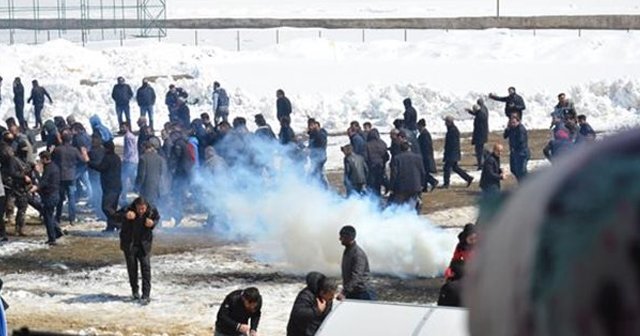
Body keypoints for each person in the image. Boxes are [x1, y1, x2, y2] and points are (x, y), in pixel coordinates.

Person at [118, 196, 159, 305]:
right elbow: (115, 217)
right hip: (130, 244)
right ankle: (135, 291)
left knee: (146, 268)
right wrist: (125, 216)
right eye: (139, 209)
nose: (141, 211)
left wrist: (153, 223)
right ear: (135, 206)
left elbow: (157, 218)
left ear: (146, 207)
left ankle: (146, 295)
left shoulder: (151, 211)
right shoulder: (127, 209)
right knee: (132, 269)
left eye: (143, 209)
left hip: (144, 244)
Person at [53, 131, 89, 225]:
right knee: (71, 197)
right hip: (71, 176)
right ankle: (72, 218)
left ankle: (58, 217)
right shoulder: (74, 150)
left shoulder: (57, 150)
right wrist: (84, 153)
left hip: (60, 176)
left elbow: (52, 161)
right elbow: (82, 160)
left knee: (60, 198)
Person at [286, 272, 337, 336]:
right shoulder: (306, 295)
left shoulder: (328, 299)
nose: (333, 297)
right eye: (331, 295)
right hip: (298, 332)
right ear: (322, 293)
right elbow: (298, 314)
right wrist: (317, 310)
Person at [31, 151, 63, 245]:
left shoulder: (49, 168)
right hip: (55, 194)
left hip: (49, 195)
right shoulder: (54, 166)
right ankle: (57, 232)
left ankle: (52, 239)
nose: (40, 161)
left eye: (41, 159)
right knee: (49, 214)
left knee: (48, 217)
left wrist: (36, 188)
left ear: (45, 159)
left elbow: (44, 181)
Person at [90, 140, 122, 232]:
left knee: (106, 207)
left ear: (107, 149)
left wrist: (88, 162)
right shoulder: (117, 157)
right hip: (117, 186)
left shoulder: (108, 158)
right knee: (112, 208)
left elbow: (100, 168)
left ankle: (119, 223)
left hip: (110, 187)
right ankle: (110, 227)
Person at [338, 225, 375, 300]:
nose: (340, 239)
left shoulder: (357, 254)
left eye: (341, 237)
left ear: (348, 238)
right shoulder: (348, 250)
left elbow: (356, 276)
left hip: (362, 293)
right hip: (352, 291)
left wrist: (344, 292)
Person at [389, 141, 425, 211]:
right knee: (414, 205)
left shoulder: (397, 158)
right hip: (415, 185)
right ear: (409, 148)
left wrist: (391, 187)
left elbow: (394, 174)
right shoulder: (418, 157)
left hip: (402, 187)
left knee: (400, 206)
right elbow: (422, 172)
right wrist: (422, 184)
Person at [441, 116, 473, 188]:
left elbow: (452, 143)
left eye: (446, 122)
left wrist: (448, 153)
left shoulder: (453, 130)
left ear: (449, 122)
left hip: (452, 153)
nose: (445, 124)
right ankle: (468, 178)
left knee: (447, 168)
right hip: (453, 153)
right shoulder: (451, 129)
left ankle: (446, 184)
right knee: (455, 168)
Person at [136, 141, 168, 208]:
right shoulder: (160, 159)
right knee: (155, 207)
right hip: (158, 187)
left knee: (146, 207)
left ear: (145, 148)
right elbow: (163, 173)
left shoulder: (143, 158)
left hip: (147, 187)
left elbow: (141, 175)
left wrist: (137, 186)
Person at [503, 115, 529, 182]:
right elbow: (505, 136)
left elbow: (521, 141)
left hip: (521, 152)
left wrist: (514, 147)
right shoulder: (511, 128)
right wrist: (508, 127)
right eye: (511, 122)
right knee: (513, 169)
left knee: (521, 171)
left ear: (518, 121)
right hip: (514, 152)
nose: (513, 124)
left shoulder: (521, 129)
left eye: (514, 122)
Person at [363, 128, 389, 196]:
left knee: (371, 186)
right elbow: (387, 156)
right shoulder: (383, 143)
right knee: (379, 184)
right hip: (381, 167)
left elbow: (365, 158)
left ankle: (373, 201)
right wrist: (383, 163)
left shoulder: (367, 145)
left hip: (371, 168)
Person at [467, 99, 489, 170]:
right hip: (482, 134)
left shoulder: (481, 114)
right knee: (481, 150)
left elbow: (478, 124)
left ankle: (481, 165)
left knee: (479, 151)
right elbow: (477, 113)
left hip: (480, 135)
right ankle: (484, 162)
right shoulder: (483, 110)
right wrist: (470, 112)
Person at [417, 119, 438, 192]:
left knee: (424, 172)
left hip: (425, 157)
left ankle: (433, 181)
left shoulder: (424, 134)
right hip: (426, 156)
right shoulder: (424, 134)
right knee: (424, 172)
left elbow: (425, 147)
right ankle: (425, 187)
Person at [120, 123, 138, 206]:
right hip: (133, 160)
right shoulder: (131, 136)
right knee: (132, 178)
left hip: (129, 161)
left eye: (123, 127)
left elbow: (130, 150)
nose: (122, 128)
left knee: (125, 178)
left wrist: (125, 159)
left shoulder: (128, 136)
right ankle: (137, 190)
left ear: (127, 127)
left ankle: (124, 196)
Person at [307, 119, 328, 186]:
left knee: (320, 174)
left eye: (312, 125)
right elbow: (312, 145)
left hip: (320, 157)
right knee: (316, 173)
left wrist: (316, 131)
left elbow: (321, 142)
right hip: (314, 157)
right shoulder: (312, 134)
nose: (310, 127)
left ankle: (326, 188)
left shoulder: (321, 134)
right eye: (309, 125)